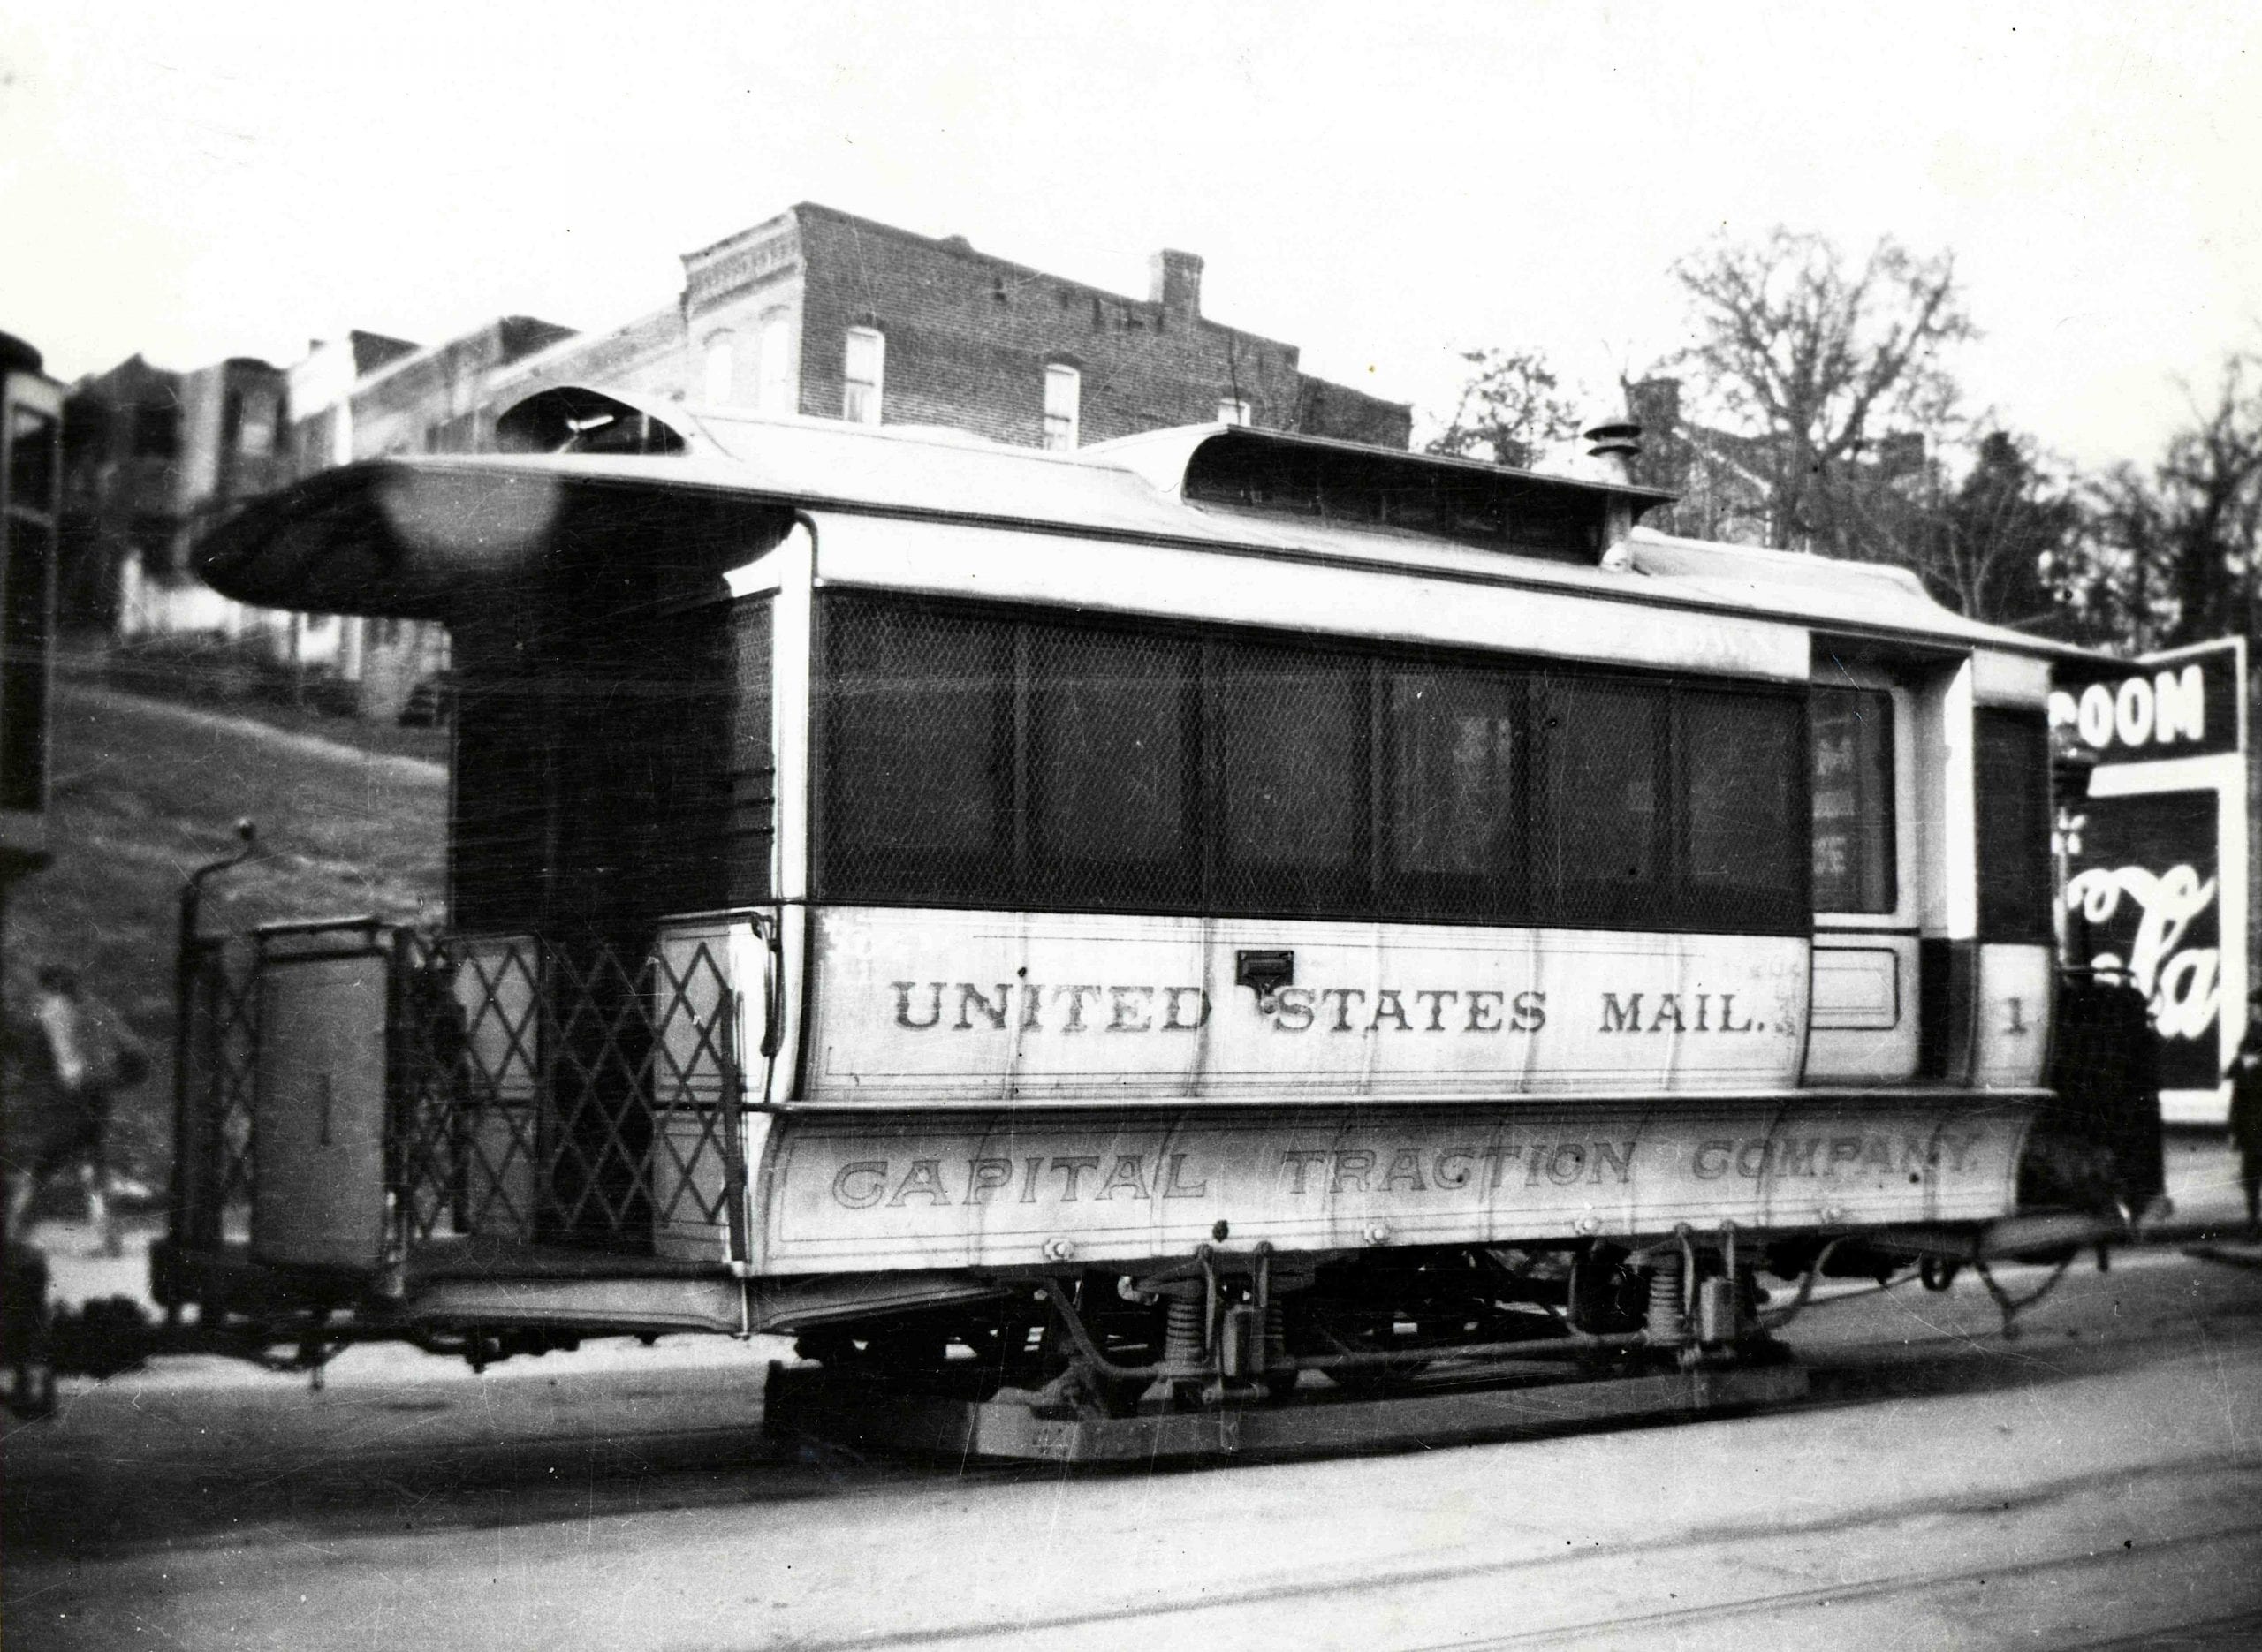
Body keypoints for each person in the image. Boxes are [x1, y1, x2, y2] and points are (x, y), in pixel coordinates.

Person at [3, 966, 147, 1257]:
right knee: (91, 1162)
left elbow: (48, 1060)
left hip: (70, 1098)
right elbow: (135, 1054)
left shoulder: (50, 1012)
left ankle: (11, 1235)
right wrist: (114, 1080)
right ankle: (109, 1240)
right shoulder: (97, 1009)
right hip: (98, 1096)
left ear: (48, 987)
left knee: (43, 1166)